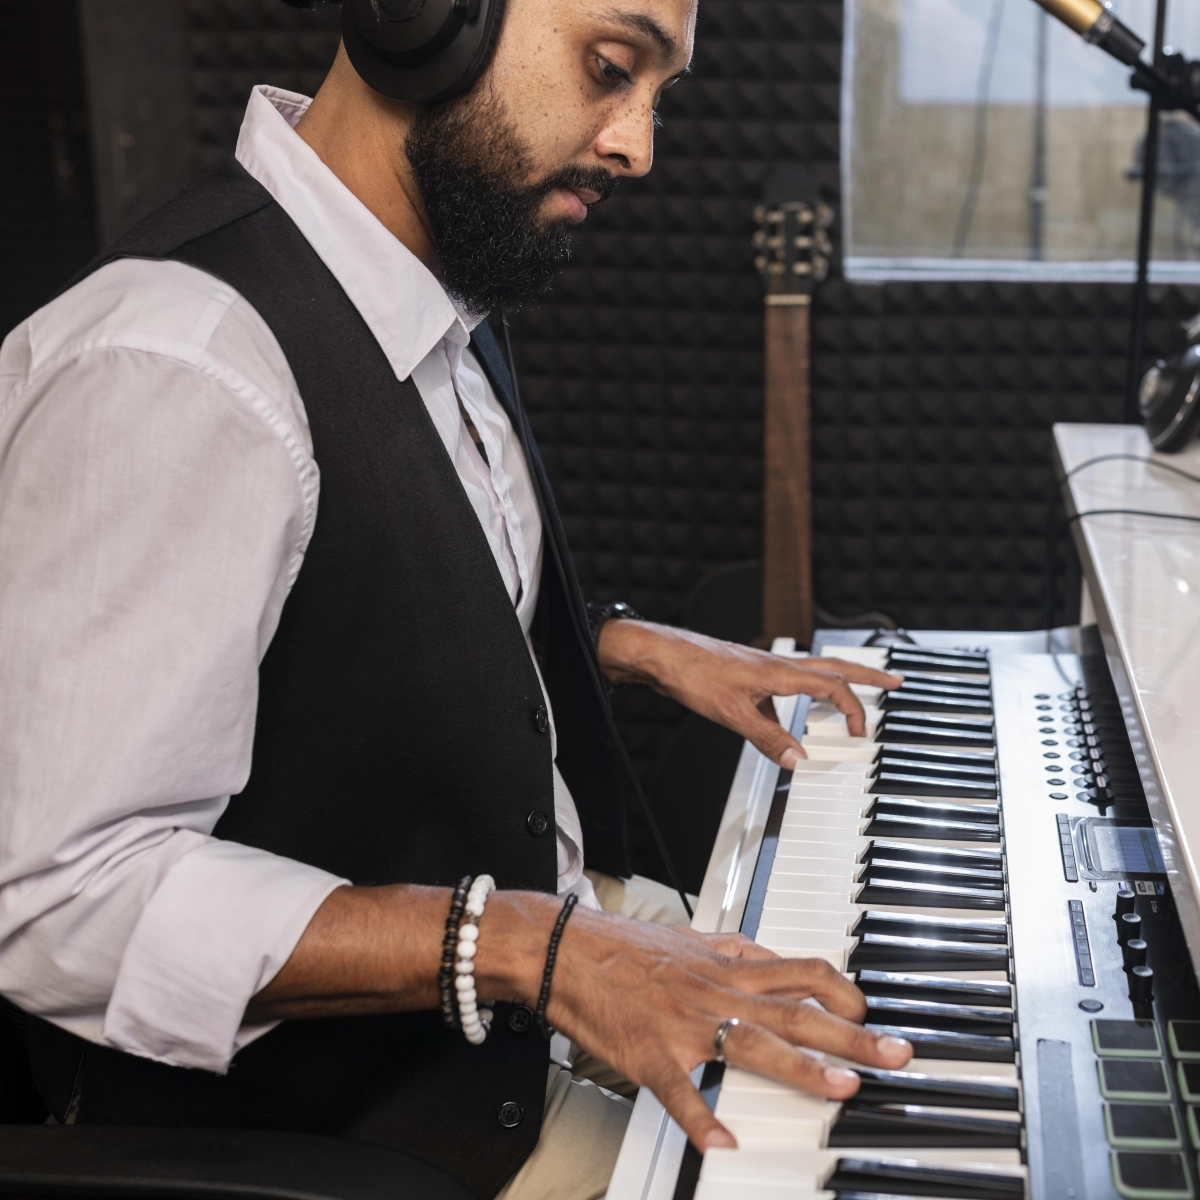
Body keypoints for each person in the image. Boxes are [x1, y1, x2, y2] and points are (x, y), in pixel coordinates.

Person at [0, 0, 910, 1197]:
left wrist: (627, 644)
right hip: (404, 1136)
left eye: (660, 93)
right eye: (609, 67)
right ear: (422, 17)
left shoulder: (416, 287)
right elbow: (57, 893)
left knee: (859, 1001)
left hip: (530, 1002)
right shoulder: (176, 365)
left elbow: (357, 588)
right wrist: (537, 949)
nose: (641, 145)